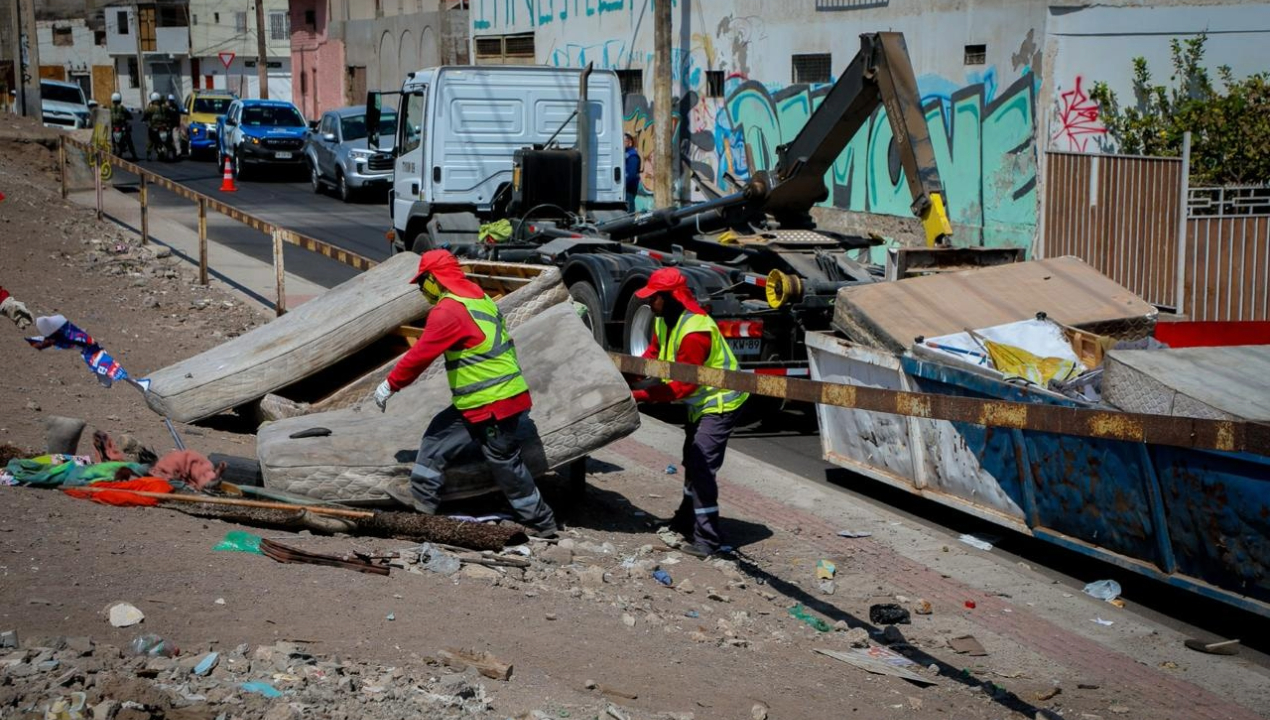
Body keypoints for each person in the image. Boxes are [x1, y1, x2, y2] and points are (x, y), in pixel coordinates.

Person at [374, 250, 559, 538]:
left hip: (491, 404)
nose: (422, 290)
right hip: (497, 399)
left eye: (423, 282)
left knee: (504, 463)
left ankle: (541, 522)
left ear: (435, 279)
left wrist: (390, 384)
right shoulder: (478, 298)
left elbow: (420, 356)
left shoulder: (449, 311)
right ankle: (422, 510)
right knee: (437, 439)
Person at [628, 268, 749, 558]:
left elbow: (682, 387)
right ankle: (684, 521)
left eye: (654, 297)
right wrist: (627, 375)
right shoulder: (664, 320)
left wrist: (638, 395)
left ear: (669, 297)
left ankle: (708, 540)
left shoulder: (696, 331)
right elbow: (654, 357)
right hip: (701, 403)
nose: (649, 303)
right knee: (690, 459)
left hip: (720, 402)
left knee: (701, 466)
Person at [109, 93, 138, 160]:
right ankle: (134, 155)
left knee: (109, 137)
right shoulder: (122, 108)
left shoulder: (110, 108)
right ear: (120, 99)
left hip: (113, 126)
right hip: (121, 126)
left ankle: (111, 150)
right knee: (129, 140)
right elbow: (129, 115)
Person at [141, 92, 167, 160]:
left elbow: (145, 114)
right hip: (163, 126)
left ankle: (149, 153)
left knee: (150, 140)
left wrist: (144, 119)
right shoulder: (163, 107)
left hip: (154, 127)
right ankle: (174, 151)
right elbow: (169, 112)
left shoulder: (151, 108)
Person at [624, 132, 641, 213]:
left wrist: (624, 184)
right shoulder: (625, 154)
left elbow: (632, 175)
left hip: (629, 189)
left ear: (630, 143)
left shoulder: (633, 156)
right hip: (625, 189)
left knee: (629, 211)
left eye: (624, 141)